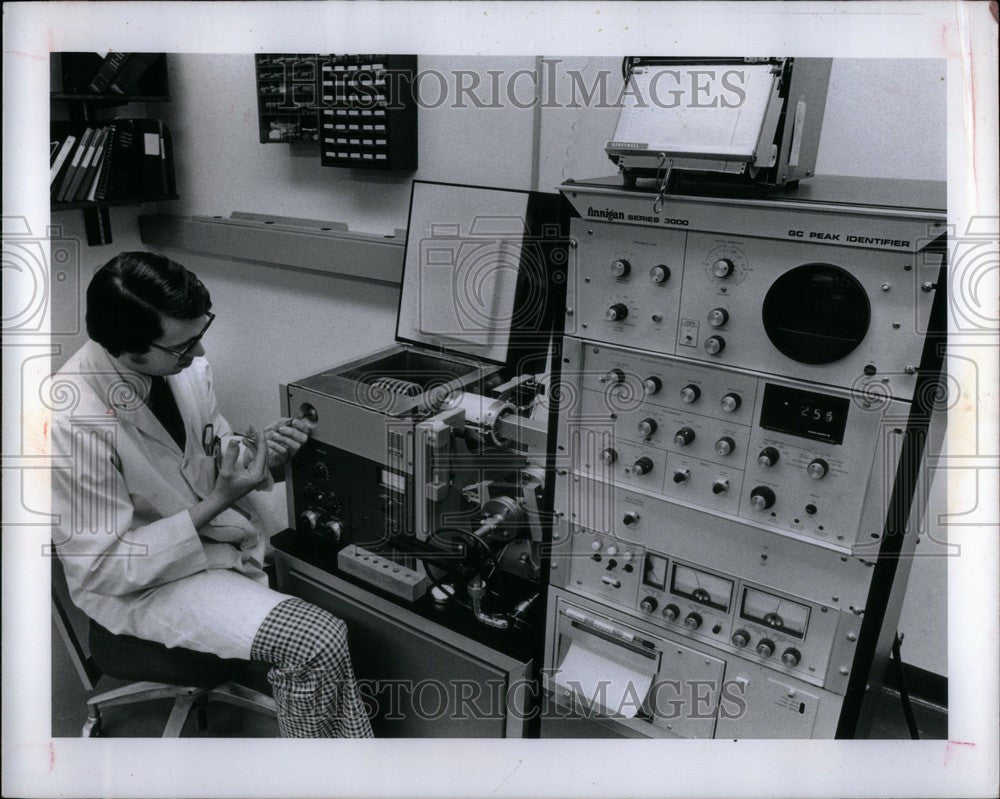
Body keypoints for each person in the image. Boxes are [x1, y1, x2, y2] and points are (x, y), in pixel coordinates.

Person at [50, 251, 373, 738]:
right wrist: (219, 500)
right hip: (144, 585)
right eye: (183, 348)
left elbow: (206, 453)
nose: (198, 356)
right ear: (129, 349)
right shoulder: (69, 420)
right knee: (316, 639)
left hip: (210, 539)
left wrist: (258, 454)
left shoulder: (179, 367)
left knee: (336, 602)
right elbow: (103, 566)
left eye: (200, 336)